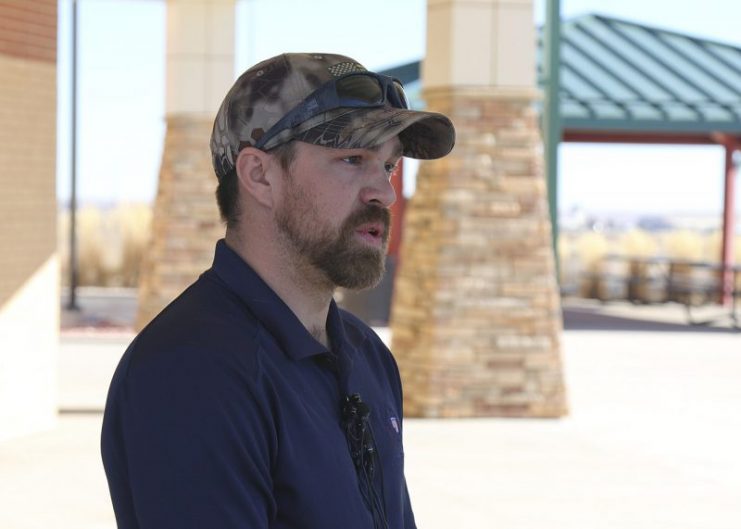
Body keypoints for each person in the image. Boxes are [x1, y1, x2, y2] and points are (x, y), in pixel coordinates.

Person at [101, 52, 455, 529]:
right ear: (259, 175)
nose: (384, 193)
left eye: (388, 166)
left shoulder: (366, 354)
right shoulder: (191, 370)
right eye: (353, 159)